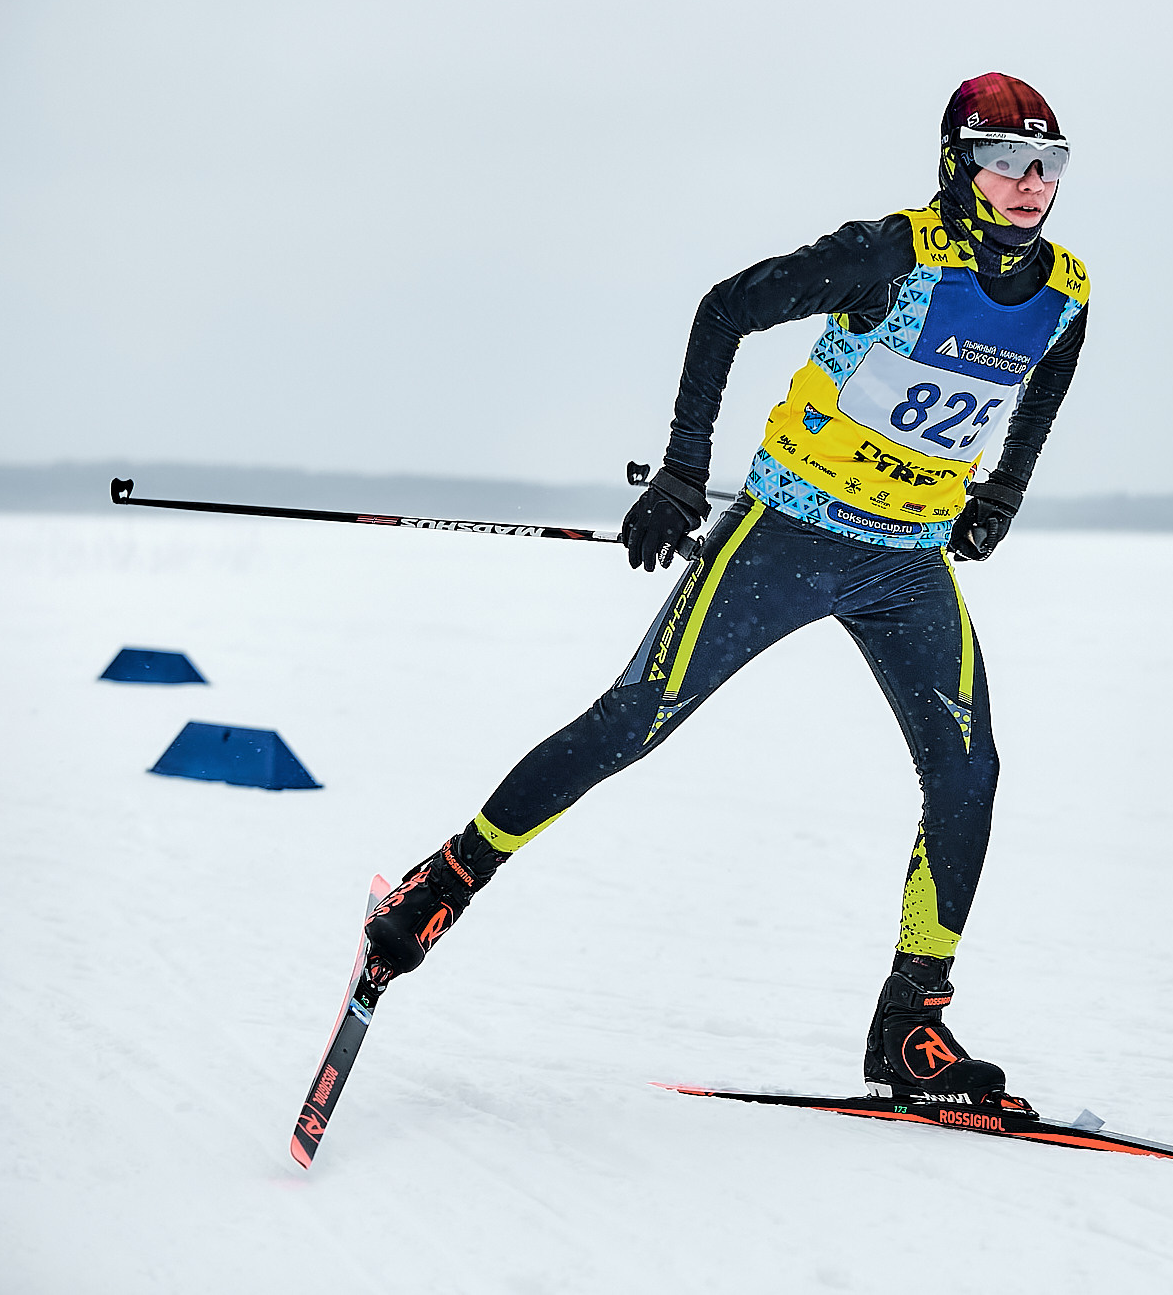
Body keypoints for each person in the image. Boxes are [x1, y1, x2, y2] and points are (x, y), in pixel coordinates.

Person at [360, 73, 1088, 1108]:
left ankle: (911, 1024)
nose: (1027, 184)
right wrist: (681, 472)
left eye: (1046, 165)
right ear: (955, 167)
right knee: (633, 720)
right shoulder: (892, 255)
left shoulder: (1066, 289)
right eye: (1004, 161)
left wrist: (1001, 493)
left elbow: (1045, 378)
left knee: (968, 773)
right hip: (786, 533)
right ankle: (444, 880)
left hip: (904, 559)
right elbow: (725, 309)